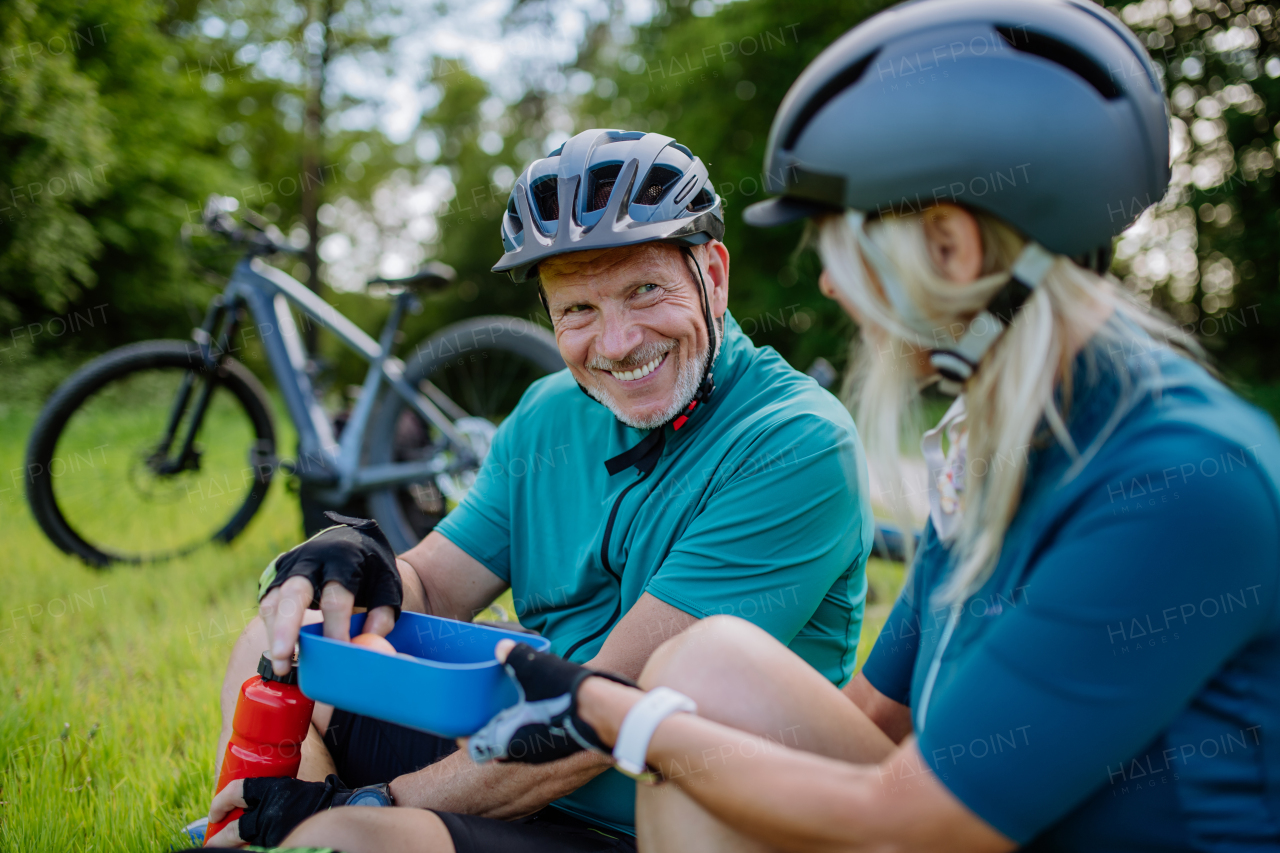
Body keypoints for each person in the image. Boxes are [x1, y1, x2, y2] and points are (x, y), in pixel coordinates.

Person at [273, 0, 1280, 850]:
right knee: (708, 676)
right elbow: (870, 724)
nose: (833, 286)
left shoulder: (1179, 479)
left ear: (951, 242)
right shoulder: (1004, 447)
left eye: (840, 245)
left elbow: (910, 816)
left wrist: (598, 708)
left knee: (691, 687)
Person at [204, 128, 876, 851]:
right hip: (502, 753)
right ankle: (256, 823)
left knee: (346, 839)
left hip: (645, 811)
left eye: (644, 290)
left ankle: (310, 826)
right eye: (578, 311)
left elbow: (606, 714)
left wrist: (366, 802)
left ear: (712, 275)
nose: (616, 343)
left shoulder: (794, 442)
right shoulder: (548, 412)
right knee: (282, 632)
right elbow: (430, 583)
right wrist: (353, 562)